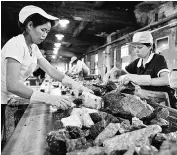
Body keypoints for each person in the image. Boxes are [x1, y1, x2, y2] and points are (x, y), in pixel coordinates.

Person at [1, 5, 92, 146]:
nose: (45, 35)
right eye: (43, 30)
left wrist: (76, 85)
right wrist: (48, 98)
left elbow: (50, 69)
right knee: (6, 142)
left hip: (10, 97)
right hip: (2, 98)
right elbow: (12, 84)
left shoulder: (33, 47)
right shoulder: (16, 45)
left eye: (47, 32)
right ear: (30, 25)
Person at [118, 31, 177, 108]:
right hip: (148, 100)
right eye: (135, 47)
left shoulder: (158, 59)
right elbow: (124, 72)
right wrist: (116, 72)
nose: (136, 50)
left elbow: (165, 80)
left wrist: (141, 79)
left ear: (150, 46)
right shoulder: (138, 62)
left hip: (164, 102)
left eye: (140, 47)